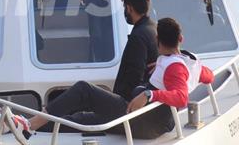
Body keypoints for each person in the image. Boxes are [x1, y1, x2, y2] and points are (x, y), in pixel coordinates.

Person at [12, 17, 214, 140]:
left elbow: (180, 97)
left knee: (84, 90)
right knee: (85, 120)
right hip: (149, 120)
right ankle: (19, 125)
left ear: (157, 39)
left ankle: (29, 127)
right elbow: (208, 76)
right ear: (181, 39)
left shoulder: (174, 67)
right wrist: (162, 65)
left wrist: (149, 94)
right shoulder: (189, 61)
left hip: (146, 122)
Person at [114, 0, 159, 101]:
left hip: (128, 103)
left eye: (125, 7)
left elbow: (135, 74)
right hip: (143, 97)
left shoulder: (138, 35)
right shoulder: (154, 27)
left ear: (129, 8)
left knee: (83, 89)